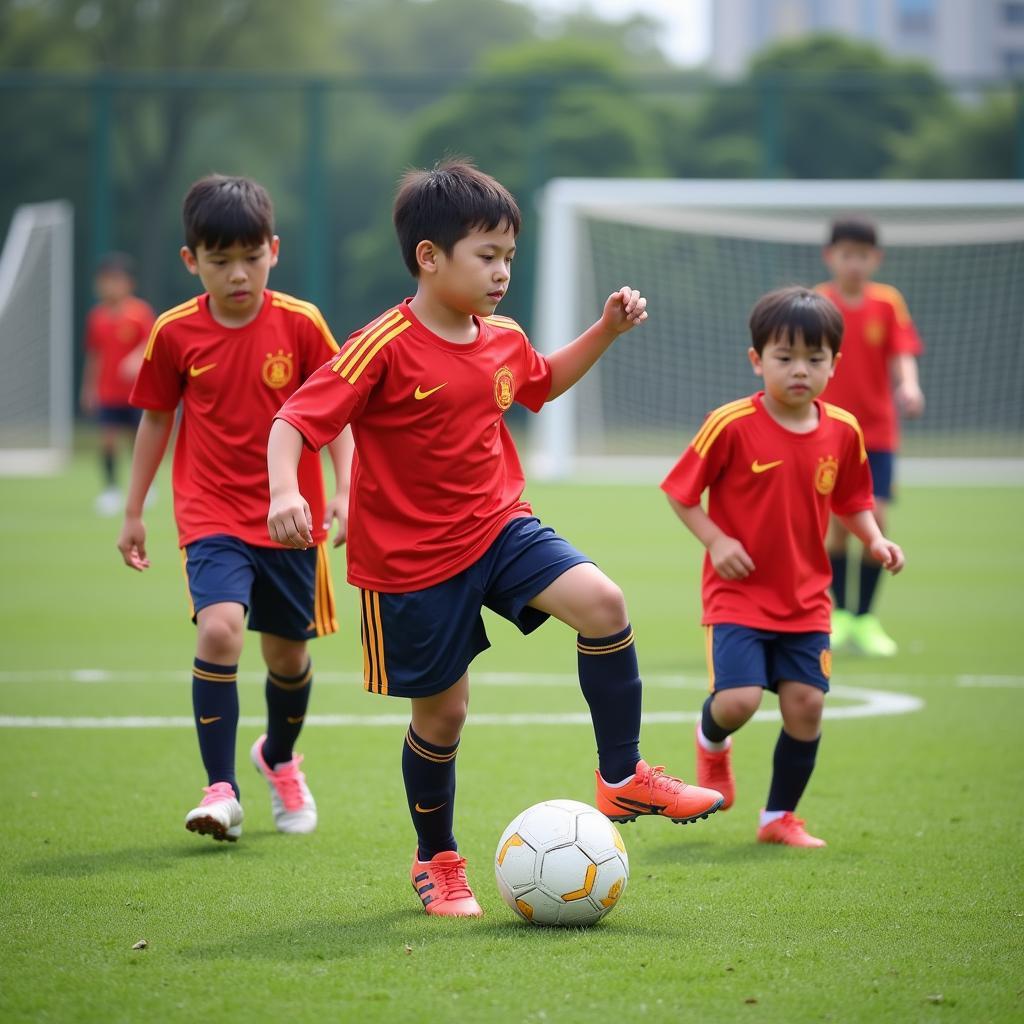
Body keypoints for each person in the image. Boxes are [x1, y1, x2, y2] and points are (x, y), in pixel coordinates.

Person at [266, 159, 723, 917]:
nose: (503, 271)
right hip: (409, 565)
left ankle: (622, 776)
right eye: (488, 255)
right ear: (429, 257)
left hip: (499, 527)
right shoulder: (380, 344)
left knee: (604, 603)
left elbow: (541, 381)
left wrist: (605, 331)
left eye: (509, 255)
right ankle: (438, 860)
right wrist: (287, 490)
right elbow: (294, 421)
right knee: (442, 718)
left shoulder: (503, 337)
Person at [116, 174, 353, 843]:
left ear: (273, 250)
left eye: (251, 257)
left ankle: (278, 759)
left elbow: (339, 415)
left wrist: (344, 489)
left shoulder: (301, 324)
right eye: (220, 262)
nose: (238, 274)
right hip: (211, 512)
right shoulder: (173, 333)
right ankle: (221, 788)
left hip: (291, 519)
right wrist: (135, 510)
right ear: (192, 261)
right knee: (219, 629)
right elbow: (157, 421)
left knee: (287, 660)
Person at [663, 286, 905, 847]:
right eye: (785, 358)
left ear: (834, 365)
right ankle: (711, 740)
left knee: (807, 706)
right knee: (738, 702)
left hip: (807, 598)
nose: (800, 370)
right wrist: (717, 540)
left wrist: (873, 540)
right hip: (739, 594)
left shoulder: (843, 430)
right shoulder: (729, 423)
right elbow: (680, 493)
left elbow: (853, 499)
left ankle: (778, 819)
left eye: (814, 359)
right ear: (757, 360)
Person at [817, 217, 924, 656]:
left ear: (875, 259)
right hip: (828, 430)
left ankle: (866, 618)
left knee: (875, 519)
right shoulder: (818, 302)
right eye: (846, 254)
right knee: (839, 529)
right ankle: (841, 616)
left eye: (862, 255)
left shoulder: (887, 303)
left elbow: (901, 352)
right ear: (831, 257)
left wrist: (910, 385)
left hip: (876, 433)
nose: (854, 263)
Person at [79, 252, 155, 516]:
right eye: (105, 280)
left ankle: (145, 486)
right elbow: (95, 355)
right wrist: (88, 389)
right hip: (108, 392)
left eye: (116, 280)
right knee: (108, 440)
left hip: (136, 392)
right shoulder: (97, 317)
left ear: (128, 283)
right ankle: (111, 490)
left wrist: (135, 358)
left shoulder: (140, 313)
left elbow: (151, 342)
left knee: (139, 441)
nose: (110, 286)